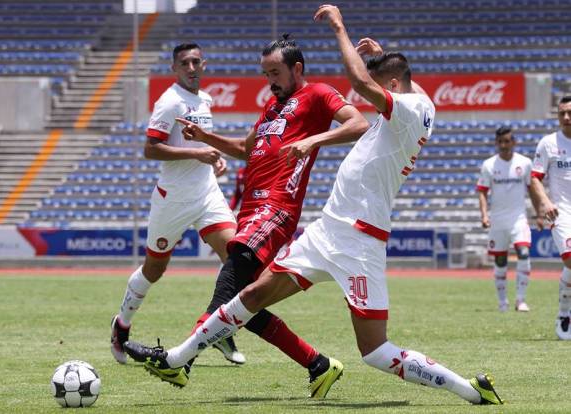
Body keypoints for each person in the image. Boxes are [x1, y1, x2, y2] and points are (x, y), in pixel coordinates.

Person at [136, 5, 505, 405]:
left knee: (376, 352)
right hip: (328, 229)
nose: (373, 96)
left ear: (393, 85)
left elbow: (361, 87)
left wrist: (339, 29)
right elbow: (398, 85)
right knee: (252, 295)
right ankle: (177, 358)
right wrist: (380, 58)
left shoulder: (410, 110)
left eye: (382, 87)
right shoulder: (420, 102)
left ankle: (469, 389)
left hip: (360, 240)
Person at [124, 33, 369, 398]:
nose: (270, 81)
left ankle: (178, 361)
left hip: (276, 207)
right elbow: (243, 148)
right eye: (265, 73)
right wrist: (205, 136)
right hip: (252, 209)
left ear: (296, 69)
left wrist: (311, 141)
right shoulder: (270, 110)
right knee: (243, 303)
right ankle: (318, 365)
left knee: (231, 280)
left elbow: (358, 123)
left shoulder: (317, 94)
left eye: (275, 72)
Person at [110, 43, 245, 365]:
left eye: (196, 61)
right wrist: (198, 154)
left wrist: (213, 161)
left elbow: (200, 144)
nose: (191, 67)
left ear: (204, 64)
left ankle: (219, 330)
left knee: (238, 259)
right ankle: (122, 323)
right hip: (174, 199)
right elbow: (151, 149)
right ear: (175, 67)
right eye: (184, 62)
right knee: (154, 270)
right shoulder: (169, 102)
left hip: (207, 194)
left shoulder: (205, 99)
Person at [477, 127, 537, 312]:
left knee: (524, 253)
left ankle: (521, 300)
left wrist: (540, 212)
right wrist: (485, 215)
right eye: (501, 142)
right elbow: (482, 192)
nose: (504, 145)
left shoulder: (525, 163)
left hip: (519, 218)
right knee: (500, 261)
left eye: (507, 141)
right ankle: (503, 302)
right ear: (496, 143)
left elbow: (533, 188)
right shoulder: (488, 165)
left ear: (514, 142)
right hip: (498, 220)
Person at [531, 95, 571, 340]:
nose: (566, 117)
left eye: (570, 113)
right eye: (562, 113)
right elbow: (535, 177)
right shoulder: (548, 143)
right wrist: (544, 202)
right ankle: (564, 312)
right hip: (562, 212)